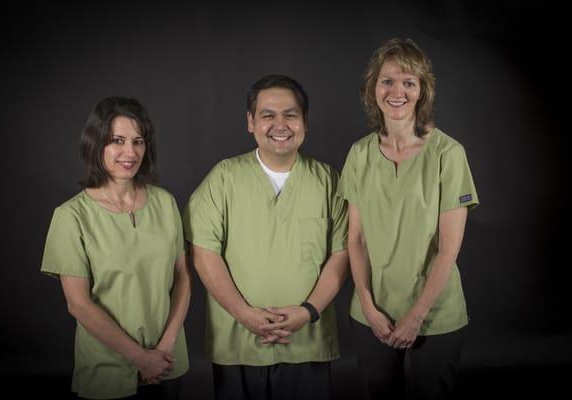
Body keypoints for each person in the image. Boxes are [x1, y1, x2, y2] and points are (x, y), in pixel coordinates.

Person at [182, 75, 349, 400]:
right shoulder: (224, 178)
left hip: (307, 340)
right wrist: (245, 314)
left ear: (304, 122)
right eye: (267, 115)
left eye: (290, 114)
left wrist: (308, 311)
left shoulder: (328, 180)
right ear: (250, 122)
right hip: (238, 339)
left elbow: (341, 253)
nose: (280, 124)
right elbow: (203, 253)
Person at [338, 38, 479, 400]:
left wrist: (416, 316)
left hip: (435, 314)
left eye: (409, 82)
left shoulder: (448, 153)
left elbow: (449, 248)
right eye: (387, 80)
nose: (396, 91)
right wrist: (368, 306)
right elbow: (356, 239)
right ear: (373, 88)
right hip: (373, 314)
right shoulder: (359, 155)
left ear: (422, 92)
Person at [41, 96, 190, 399]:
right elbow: (78, 304)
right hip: (106, 370)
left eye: (138, 141)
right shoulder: (71, 216)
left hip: (167, 363)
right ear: (96, 144)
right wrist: (140, 358)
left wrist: (164, 347)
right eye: (117, 141)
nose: (130, 152)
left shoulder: (165, 202)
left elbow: (183, 279)